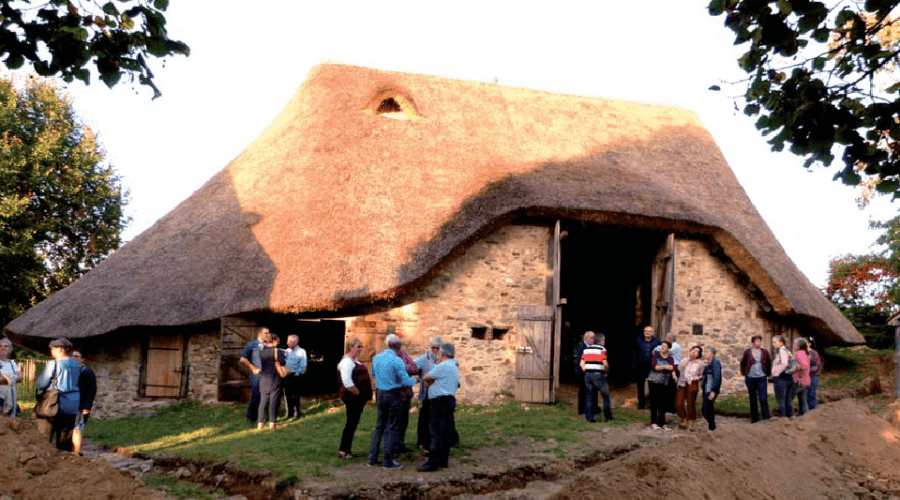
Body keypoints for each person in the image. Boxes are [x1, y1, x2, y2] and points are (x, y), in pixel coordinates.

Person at [367, 334, 418, 469]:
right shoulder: (397, 361)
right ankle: (388, 461)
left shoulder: (377, 358)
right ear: (399, 347)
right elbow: (406, 381)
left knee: (379, 425)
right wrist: (416, 380)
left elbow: (373, 374)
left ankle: (372, 458)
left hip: (380, 393)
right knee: (392, 426)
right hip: (394, 394)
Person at [417, 343, 460, 472]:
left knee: (435, 432)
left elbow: (426, 376)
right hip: (449, 400)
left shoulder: (443, 366)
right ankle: (443, 460)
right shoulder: (454, 365)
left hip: (439, 401)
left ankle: (432, 462)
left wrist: (429, 384)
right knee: (445, 431)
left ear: (443, 353)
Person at [36, 338, 81, 451]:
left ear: (60, 349)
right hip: (72, 404)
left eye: (52, 349)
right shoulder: (76, 365)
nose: (51, 352)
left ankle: (45, 458)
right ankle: (64, 459)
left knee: (44, 436)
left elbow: (42, 384)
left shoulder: (53, 364)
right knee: (65, 437)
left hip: (54, 404)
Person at [337, 338, 372, 459]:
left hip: (357, 398)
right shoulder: (347, 362)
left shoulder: (354, 361)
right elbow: (347, 381)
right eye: (358, 347)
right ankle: (343, 450)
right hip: (352, 398)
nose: (360, 349)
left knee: (352, 423)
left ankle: (347, 449)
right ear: (351, 347)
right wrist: (358, 394)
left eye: (361, 347)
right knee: (351, 423)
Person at [414, 337, 442, 453]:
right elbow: (412, 366)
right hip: (427, 393)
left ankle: (435, 442)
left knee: (437, 419)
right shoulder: (425, 358)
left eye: (437, 348)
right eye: (433, 347)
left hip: (438, 394)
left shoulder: (443, 359)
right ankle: (421, 442)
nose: (434, 350)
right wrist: (418, 375)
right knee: (424, 419)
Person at [394, 332, 419, 454]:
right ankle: (393, 447)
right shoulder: (387, 356)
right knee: (395, 421)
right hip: (395, 393)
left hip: (406, 392)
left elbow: (414, 367)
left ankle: (400, 444)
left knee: (404, 421)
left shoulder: (403, 354)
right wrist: (404, 367)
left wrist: (403, 367)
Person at [257, 332, 288, 429]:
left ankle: (261, 423)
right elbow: (283, 362)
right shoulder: (277, 351)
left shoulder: (260, 352)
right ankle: (272, 422)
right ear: (273, 341)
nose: (278, 342)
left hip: (263, 379)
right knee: (273, 401)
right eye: (277, 340)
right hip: (274, 378)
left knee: (263, 401)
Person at [739, 334, 772, 423]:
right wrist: (744, 373)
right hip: (751, 378)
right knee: (753, 398)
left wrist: (768, 374)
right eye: (757, 341)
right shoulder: (748, 352)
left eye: (760, 341)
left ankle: (766, 417)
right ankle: (755, 418)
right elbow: (742, 363)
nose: (758, 343)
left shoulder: (765, 352)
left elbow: (769, 363)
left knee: (763, 398)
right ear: (753, 343)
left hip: (761, 377)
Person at [580, 332, 612, 422]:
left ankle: (590, 417)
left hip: (588, 375)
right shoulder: (602, 349)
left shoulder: (586, 350)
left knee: (589, 395)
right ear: (601, 341)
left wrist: (586, 371)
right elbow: (605, 364)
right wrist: (606, 372)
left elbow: (581, 364)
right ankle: (607, 416)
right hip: (598, 375)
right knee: (606, 394)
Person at [239, 327, 268, 424]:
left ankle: (262, 416)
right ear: (260, 333)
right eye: (266, 333)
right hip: (257, 375)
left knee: (265, 396)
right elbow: (243, 358)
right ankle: (251, 417)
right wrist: (252, 368)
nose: (268, 335)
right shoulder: (252, 345)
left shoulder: (268, 345)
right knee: (256, 395)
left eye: (268, 333)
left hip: (267, 374)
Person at [71, 350, 97, 455]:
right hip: (71, 404)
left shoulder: (87, 372)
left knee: (77, 428)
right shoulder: (71, 371)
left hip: (81, 405)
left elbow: (92, 390)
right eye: (72, 356)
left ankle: (77, 451)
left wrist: (87, 406)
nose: (74, 358)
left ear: (82, 359)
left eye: (77, 356)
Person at [674, 345, 705, 431]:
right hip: (682, 383)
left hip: (693, 383)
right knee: (678, 403)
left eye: (696, 351)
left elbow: (701, 374)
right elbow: (680, 369)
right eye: (693, 350)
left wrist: (695, 378)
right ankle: (684, 418)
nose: (694, 352)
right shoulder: (684, 360)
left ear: (699, 354)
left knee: (690, 403)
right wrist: (688, 360)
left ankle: (691, 421)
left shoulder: (700, 363)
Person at [647, 340, 676, 430]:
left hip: (664, 382)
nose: (662, 348)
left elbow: (672, 367)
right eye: (662, 346)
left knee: (663, 402)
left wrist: (674, 374)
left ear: (668, 349)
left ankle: (662, 423)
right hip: (653, 381)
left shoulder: (670, 358)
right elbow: (654, 367)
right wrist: (665, 367)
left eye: (664, 346)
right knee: (654, 402)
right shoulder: (656, 355)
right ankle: (654, 422)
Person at [632, 326, 661, 410]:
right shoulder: (638, 340)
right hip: (640, 366)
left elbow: (659, 354)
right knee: (640, 386)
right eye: (645, 331)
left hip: (651, 366)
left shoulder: (657, 341)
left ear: (652, 332)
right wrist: (634, 364)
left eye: (649, 331)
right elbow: (634, 353)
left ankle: (652, 404)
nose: (647, 333)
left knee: (652, 385)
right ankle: (641, 404)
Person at [283, 334, 307, 420]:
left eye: (290, 341)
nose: (287, 343)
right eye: (287, 341)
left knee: (295, 395)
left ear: (295, 342)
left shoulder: (301, 352)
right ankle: (289, 412)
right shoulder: (286, 351)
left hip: (295, 376)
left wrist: (297, 373)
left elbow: (303, 365)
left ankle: (297, 412)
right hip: (286, 375)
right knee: (287, 395)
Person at [771, 335, 795, 418]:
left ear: (781, 343)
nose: (773, 344)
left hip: (781, 378)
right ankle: (790, 417)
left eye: (775, 342)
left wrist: (776, 373)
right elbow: (794, 364)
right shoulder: (788, 351)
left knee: (781, 399)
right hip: (789, 377)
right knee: (788, 399)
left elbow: (784, 364)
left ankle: (783, 418)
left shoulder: (781, 351)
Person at [576, 331, 598, 416]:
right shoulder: (582, 348)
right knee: (583, 392)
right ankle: (582, 411)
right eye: (592, 338)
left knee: (593, 391)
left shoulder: (593, 347)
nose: (593, 340)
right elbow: (580, 362)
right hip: (583, 374)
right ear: (586, 338)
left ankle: (593, 409)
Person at [701, 346, 722, 431]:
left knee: (706, 409)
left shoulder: (715, 363)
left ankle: (712, 426)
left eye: (707, 352)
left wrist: (713, 391)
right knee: (708, 409)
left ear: (712, 354)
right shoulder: (708, 364)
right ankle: (712, 427)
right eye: (705, 352)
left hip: (711, 390)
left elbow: (717, 377)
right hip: (706, 389)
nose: (705, 354)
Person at [0, 338, 22, 418]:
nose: (3, 348)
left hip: (11, 395)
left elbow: (20, 378)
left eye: (6, 346)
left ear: (10, 349)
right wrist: (10, 378)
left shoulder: (12, 363)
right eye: (0, 346)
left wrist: (8, 378)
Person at [792, 338, 811, 417]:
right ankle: (803, 414)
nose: (793, 345)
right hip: (805, 380)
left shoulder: (799, 354)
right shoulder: (805, 353)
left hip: (800, 381)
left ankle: (788, 415)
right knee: (802, 398)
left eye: (795, 344)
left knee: (789, 397)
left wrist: (799, 376)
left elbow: (804, 366)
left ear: (798, 345)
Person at [807, 338, 821, 410]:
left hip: (812, 377)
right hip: (805, 378)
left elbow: (816, 366)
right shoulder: (803, 353)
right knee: (805, 396)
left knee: (811, 395)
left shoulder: (813, 353)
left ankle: (813, 411)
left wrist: (807, 371)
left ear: (809, 344)